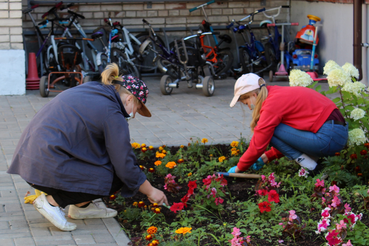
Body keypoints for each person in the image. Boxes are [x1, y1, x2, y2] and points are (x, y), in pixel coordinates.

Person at [7, 63, 169, 231]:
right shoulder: (112, 112)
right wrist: (151, 191)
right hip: (45, 166)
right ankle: (52, 203)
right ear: (129, 99)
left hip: (29, 160)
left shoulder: (93, 90)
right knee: (115, 175)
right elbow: (125, 165)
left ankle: (81, 207)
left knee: (106, 160)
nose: (134, 115)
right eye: (136, 109)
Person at [227, 73, 348, 174]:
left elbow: (258, 143)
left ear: (254, 95)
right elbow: (292, 138)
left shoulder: (271, 104)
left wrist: (239, 168)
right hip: (336, 134)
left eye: (246, 102)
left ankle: (310, 166)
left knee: (266, 128)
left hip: (328, 138)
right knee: (270, 128)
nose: (249, 108)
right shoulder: (277, 94)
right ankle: (311, 161)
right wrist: (267, 157)